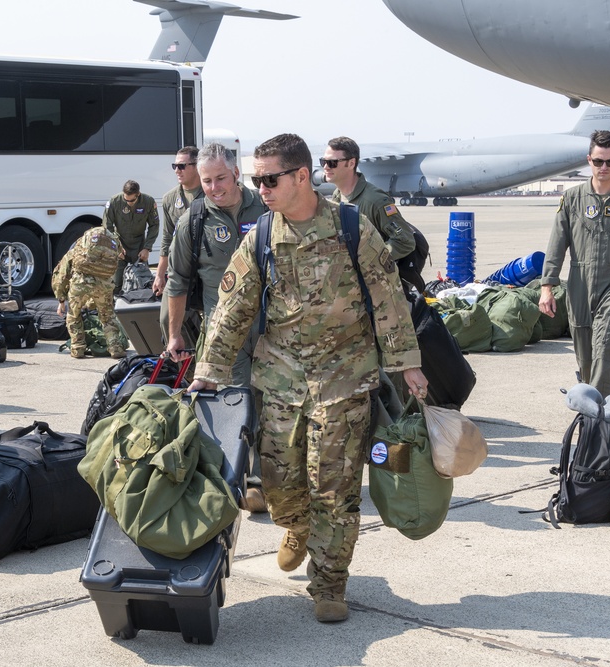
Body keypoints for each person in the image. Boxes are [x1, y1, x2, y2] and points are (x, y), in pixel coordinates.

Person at [188, 133, 428, 623]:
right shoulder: (259, 236)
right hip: (279, 383)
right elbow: (231, 310)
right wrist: (208, 373)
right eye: (258, 180)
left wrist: (409, 365)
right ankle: (295, 525)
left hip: (345, 381)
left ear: (301, 176)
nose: (263, 188)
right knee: (277, 485)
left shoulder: (350, 227)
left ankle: (329, 584)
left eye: (270, 179)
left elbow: (388, 299)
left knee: (334, 490)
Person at [165, 142, 268, 512]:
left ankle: (273, 477)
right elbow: (176, 282)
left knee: (275, 400)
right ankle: (249, 480)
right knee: (240, 402)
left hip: (274, 327)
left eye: (220, 178)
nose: (213, 188)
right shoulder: (193, 221)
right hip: (225, 333)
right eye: (206, 180)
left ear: (236, 173)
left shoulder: (267, 207)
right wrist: (174, 333)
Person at [539, 130, 610, 397]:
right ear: (588, 160)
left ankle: (598, 415)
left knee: (606, 347)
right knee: (585, 352)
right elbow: (557, 242)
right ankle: (591, 401)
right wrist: (547, 285)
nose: (604, 167)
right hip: (579, 281)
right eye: (598, 161)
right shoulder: (572, 199)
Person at [323, 137, 423, 289]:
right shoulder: (337, 197)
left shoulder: (374, 200)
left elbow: (404, 240)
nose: (326, 167)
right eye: (323, 161)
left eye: (332, 163)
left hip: (377, 285)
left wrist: (370, 260)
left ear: (351, 163)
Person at [52, 227, 128, 359]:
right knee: (108, 317)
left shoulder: (77, 249)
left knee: (74, 315)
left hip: (80, 284)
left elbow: (61, 275)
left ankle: (77, 349)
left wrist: (61, 299)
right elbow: (121, 255)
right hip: (104, 285)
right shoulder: (112, 246)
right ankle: (115, 348)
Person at [154, 147, 204, 340]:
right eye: (175, 166)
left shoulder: (211, 195)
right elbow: (167, 238)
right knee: (167, 320)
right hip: (179, 268)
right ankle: (184, 366)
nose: (177, 170)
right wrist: (159, 274)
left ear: (197, 167)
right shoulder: (170, 199)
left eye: (182, 166)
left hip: (206, 267)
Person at [102, 180, 160, 294]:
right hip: (121, 245)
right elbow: (107, 226)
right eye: (126, 200)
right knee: (116, 284)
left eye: (132, 200)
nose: (129, 203)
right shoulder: (115, 202)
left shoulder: (148, 202)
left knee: (143, 282)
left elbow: (154, 225)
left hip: (139, 246)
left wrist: (147, 248)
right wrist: (116, 246)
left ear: (138, 194)